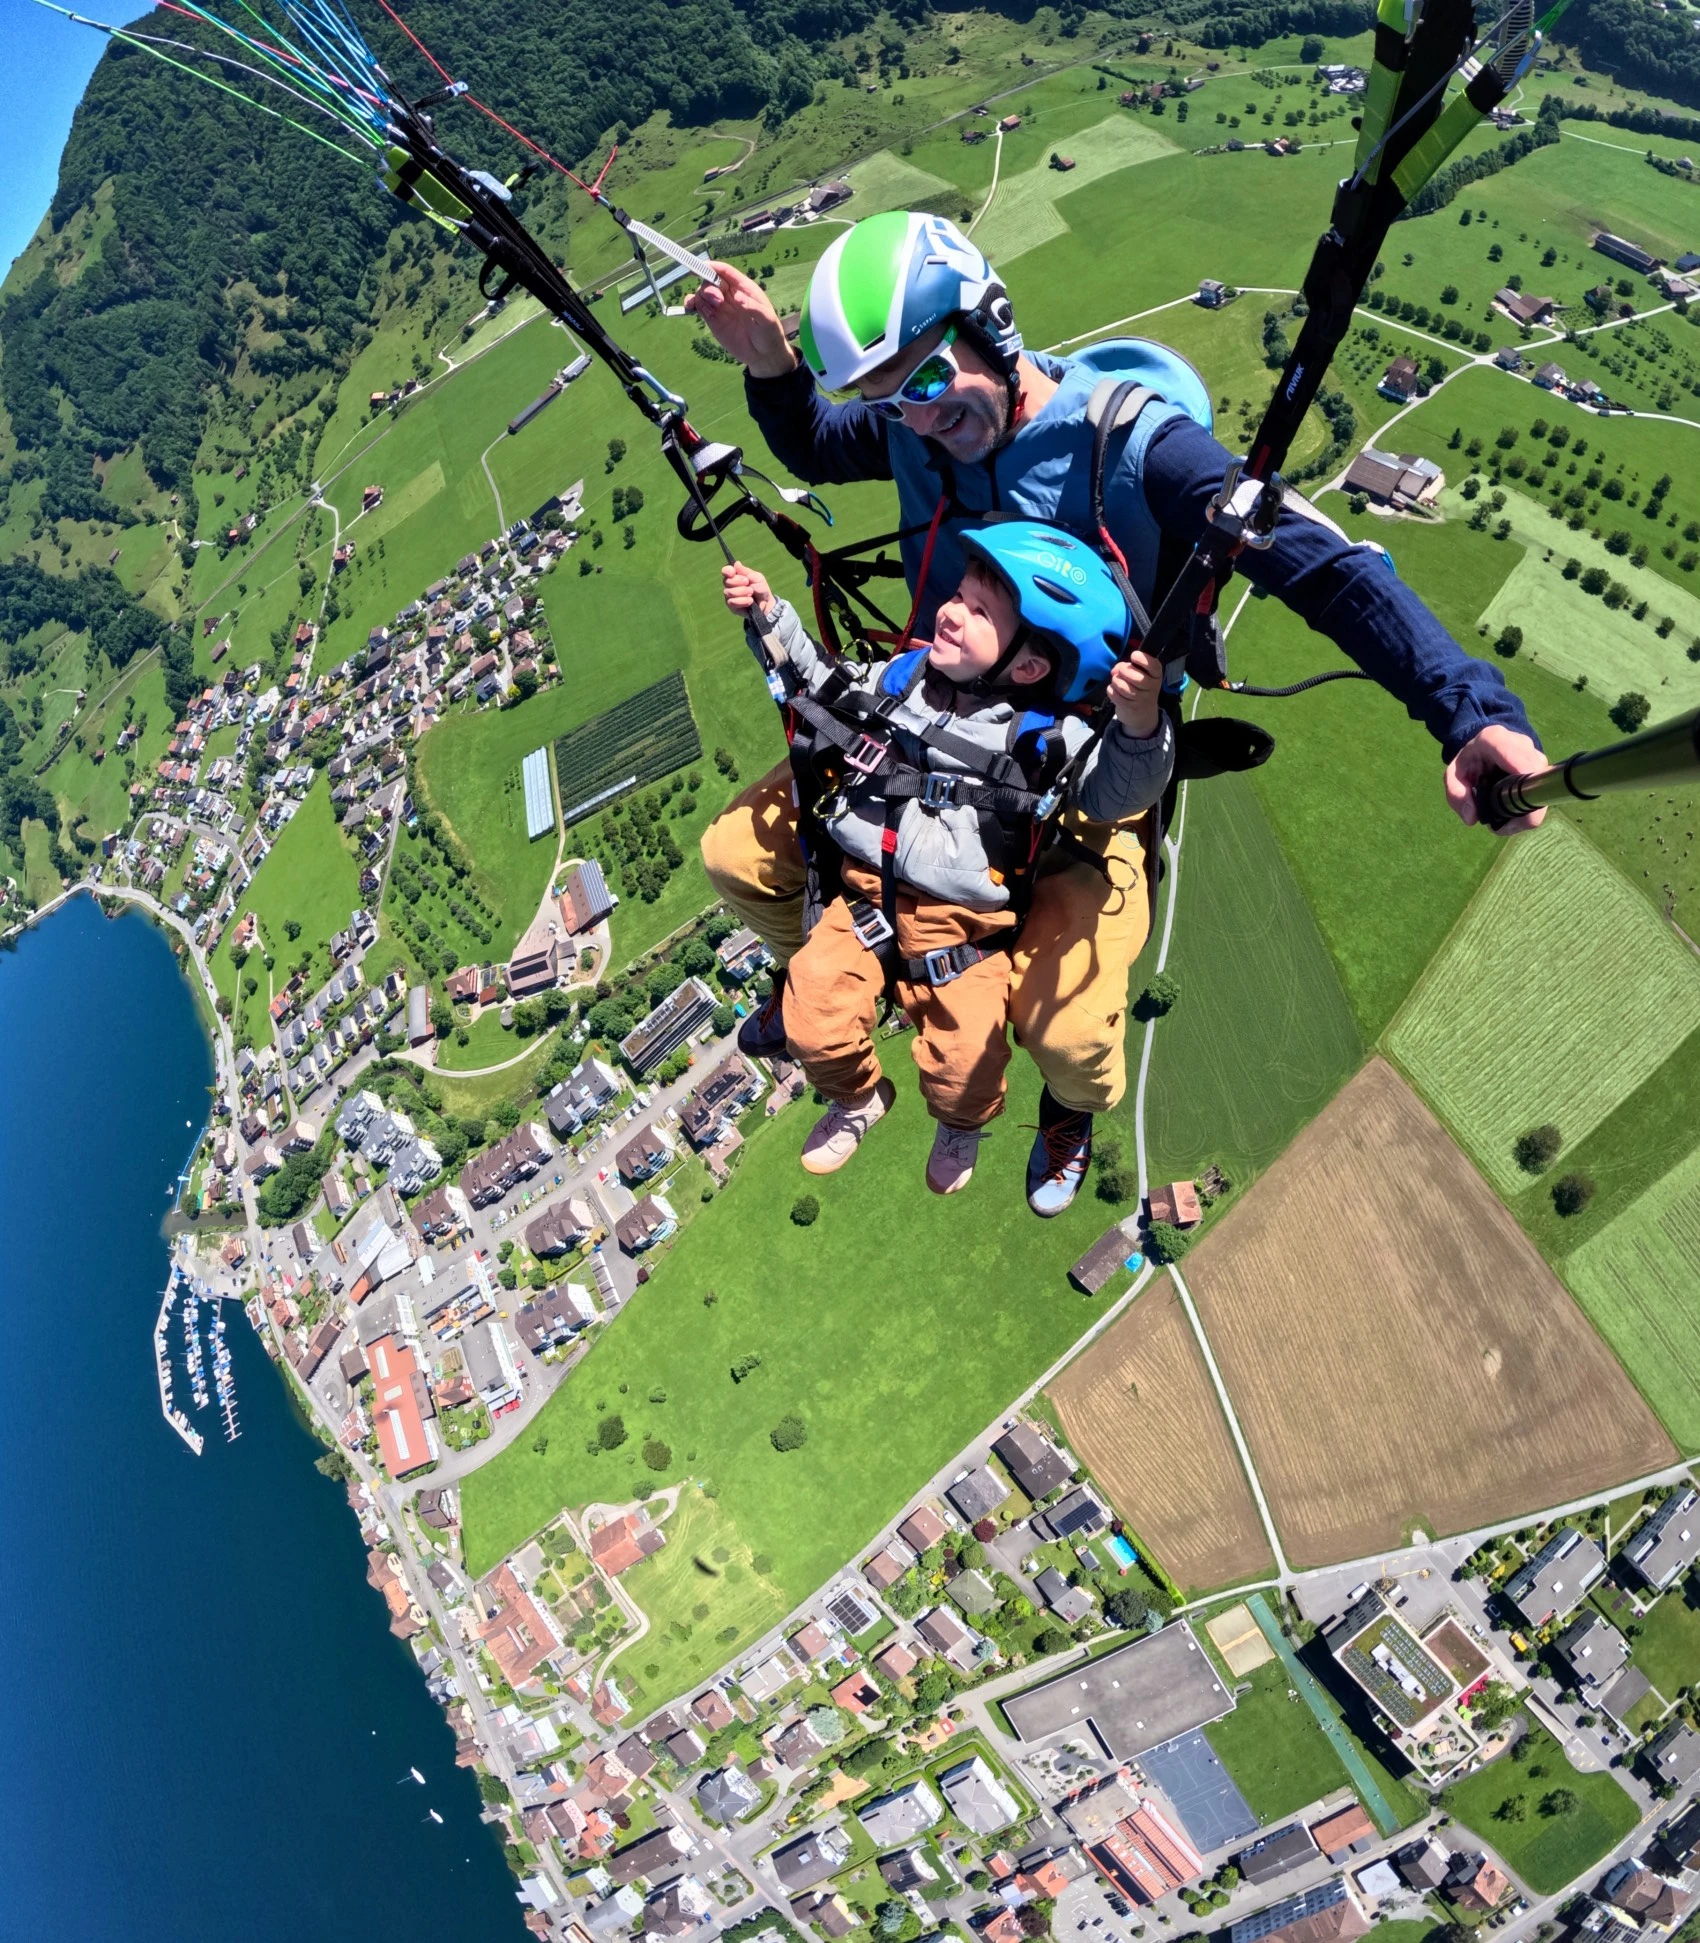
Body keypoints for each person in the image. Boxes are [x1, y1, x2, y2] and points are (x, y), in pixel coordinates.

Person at [687, 210, 1548, 1216]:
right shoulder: (920, 420)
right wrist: (772, 365)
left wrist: (1465, 708)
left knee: (1066, 1031)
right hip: (926, 734)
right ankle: (849, 969)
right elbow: (816, 440)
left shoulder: (1134, 447)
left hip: (1081, 770)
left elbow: (1322, 567)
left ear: (989, 322)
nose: (914, 421)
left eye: (922, 383)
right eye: (887, 400)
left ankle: (1071, 1106)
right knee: (733, 858)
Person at [721, 520, 1173, 1197]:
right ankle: (858, 1097)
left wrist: (1139, 724)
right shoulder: (902, 678)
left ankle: (961, 1122)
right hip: (863, 899)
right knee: (810, 1020)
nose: (950, 611)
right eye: (958, 595)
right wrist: (769, 615)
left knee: (968, 1060)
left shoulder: (1045, 740)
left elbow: (1115, 791)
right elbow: (821, 681)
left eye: (978, 611)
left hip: (961, 933)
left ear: (1029, 667)